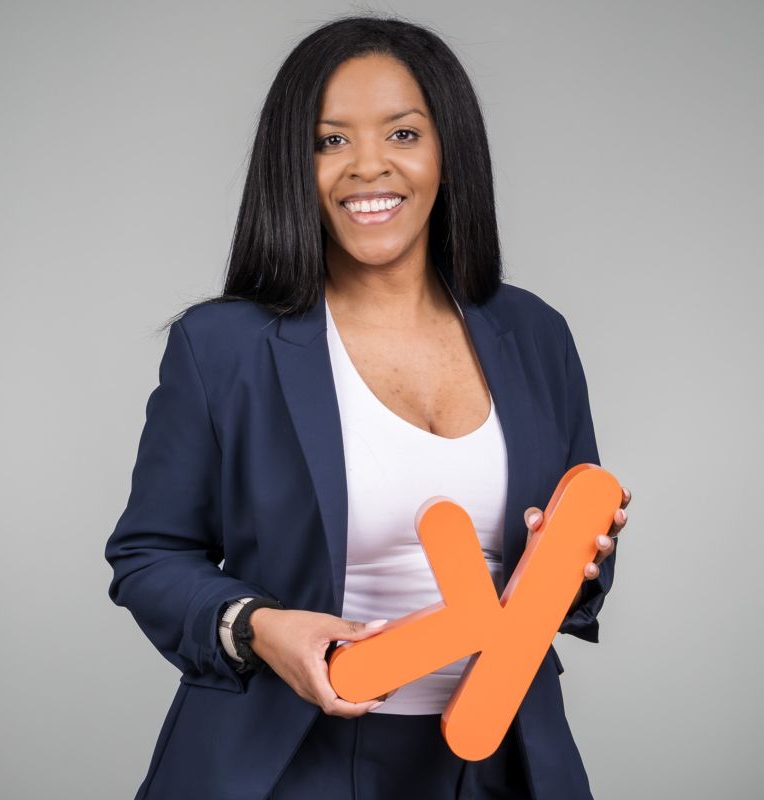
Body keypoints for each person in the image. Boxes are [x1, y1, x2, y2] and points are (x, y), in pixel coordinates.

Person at [104, 14, 631, 800]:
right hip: (288, 759)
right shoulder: (224, 346)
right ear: (295, 164)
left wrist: (581, 560)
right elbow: (149, 555)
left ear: (449, 151)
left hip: (498, 754)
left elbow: (574, 575)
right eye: (330, 141)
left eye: (403, 134)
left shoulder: (534, 333)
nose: (368, 166)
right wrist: (259, 628)